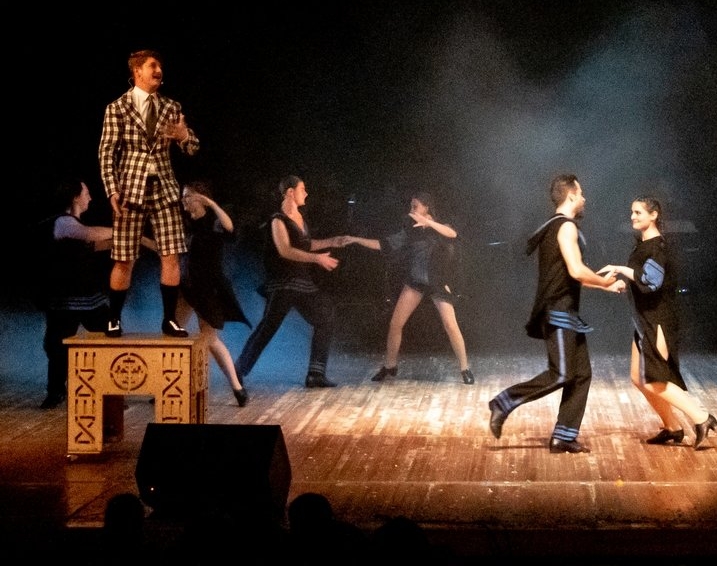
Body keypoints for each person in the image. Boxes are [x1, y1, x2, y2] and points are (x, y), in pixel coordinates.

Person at [487, 174, 625, 454]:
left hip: (566, 310)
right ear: (571, 195)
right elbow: (576, 270)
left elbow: (572, 275)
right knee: (562, 373)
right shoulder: (565, 227)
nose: (584, 199)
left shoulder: (558, 226)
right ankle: (504, 401)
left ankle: (564, 436)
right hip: (558, 310)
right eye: (581, 193)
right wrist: (604, 282)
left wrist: (606, 287)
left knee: (581, 374)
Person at [598, 196, 717, 449]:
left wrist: (621, 269)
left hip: (658, 320)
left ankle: (702, 417)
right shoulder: (644, 245)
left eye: (638, 212)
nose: (633, 216)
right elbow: (642, 280)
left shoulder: (657, 247)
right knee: (638, 377)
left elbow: (651, 282)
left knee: (654, 378)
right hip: (644, 320)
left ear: (654, 215)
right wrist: (625, 283)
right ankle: (672, 427)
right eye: (632, 212)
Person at [98, 48, 199, 338]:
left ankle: (169, 320)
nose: (158, 70)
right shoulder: (118, 108)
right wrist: (112, 189)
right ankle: (114, 318)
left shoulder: (171, 106)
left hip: (164, 188)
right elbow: (106, 152)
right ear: (137, 71)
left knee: (171, 254)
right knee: (124, 257)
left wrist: (184, 136)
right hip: (130, 190)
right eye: (153, 65)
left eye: (160, 66)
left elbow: (192, 148)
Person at [234, 175, 371, 388]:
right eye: (302, 189)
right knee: (268, 328)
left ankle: (315, 374)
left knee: (325, 318)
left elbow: (306, 244)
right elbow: (285, 250)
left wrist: (333, 241)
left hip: (301, 282)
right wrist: (317, 259)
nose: (306, 193)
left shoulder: (300, 217)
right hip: (283, 283)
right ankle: (237, 370)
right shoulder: (277, 220)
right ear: (290, 192)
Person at [359, 192, 474, 385]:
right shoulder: (411, 231)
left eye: (415, 206)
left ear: (426, 207)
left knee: (450, 324)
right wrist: (355, 239)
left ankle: (465, 368)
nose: (411, 210)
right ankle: (390, 366)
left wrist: (429, 223)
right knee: (395, 324)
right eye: (411, 206)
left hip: (437, 282)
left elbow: (452, 234)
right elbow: (384, 245)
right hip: (416, 281)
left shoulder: (440, 227)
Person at [39, 179, 113, 409]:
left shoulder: (73, 225)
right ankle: (55, 392)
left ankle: (110, 392)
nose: (90, 197)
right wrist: (122, 231)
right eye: (86, 193)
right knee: (57, 347)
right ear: (75, 197)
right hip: (65, 300)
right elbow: (88, 234)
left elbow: (93, 244)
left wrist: (125, 242)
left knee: (111, 336)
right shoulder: (63, 222)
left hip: (88, 298)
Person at [176, 180, 251, 406]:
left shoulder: (214, 222)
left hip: (209, 289)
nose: (184, 201)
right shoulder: (186, 224)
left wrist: (211, 203)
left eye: (188, 196)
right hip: (187, 286)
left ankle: (237, 388)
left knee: (210, 340)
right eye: (183, 196)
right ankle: (169, 384)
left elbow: (230, 228)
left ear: (201, 198)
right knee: (174, 334)